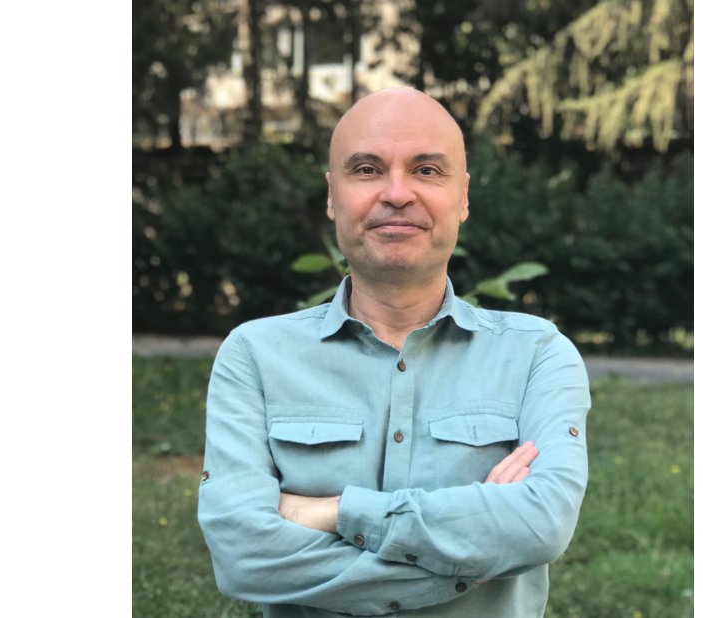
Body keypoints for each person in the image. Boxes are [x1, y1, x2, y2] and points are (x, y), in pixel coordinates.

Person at [198, 87, 591, 617]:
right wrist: (469, 564)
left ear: (463, 196)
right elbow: (243, 556)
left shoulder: (537, 355)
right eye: (367, 169)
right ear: (332, 196)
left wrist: (336, 512)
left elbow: (541, 525)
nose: (398, 193)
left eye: (427, 170)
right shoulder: (254, 356)